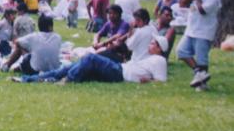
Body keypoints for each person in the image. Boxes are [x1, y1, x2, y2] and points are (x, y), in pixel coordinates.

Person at [18, 36, 169, 84]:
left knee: (90, 58)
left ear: (160, 48)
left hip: (120, 73)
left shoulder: (159, 61)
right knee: (70, 65)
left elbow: (161, 81)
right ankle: (30, 79)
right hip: (119, 68)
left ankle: (68, 80)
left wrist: (148, 81)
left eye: (153, 43)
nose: (150, 44)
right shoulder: (149, 58)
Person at [177, 0, 221, 90]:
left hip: (204, 32)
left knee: (202, 59)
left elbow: (203, 11)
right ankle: (199, 73)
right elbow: (182, 2)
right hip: (191, 29)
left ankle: (203, 85)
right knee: (181, 51)